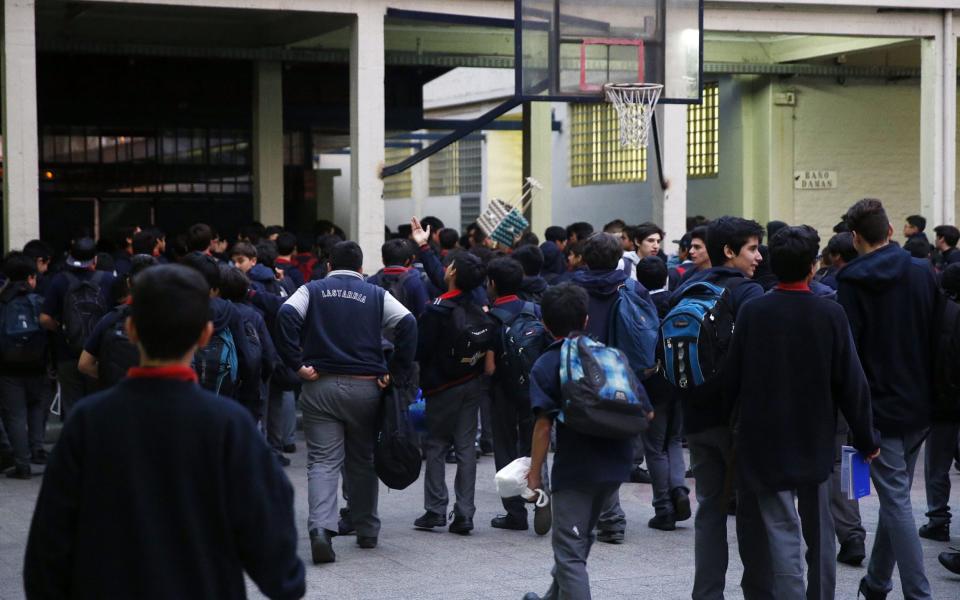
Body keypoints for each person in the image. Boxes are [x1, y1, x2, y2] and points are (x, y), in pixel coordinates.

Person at [23, 264, 305, 600]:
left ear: (130, 329)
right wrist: (286, 579)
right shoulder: (228, 424)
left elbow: (49, 544)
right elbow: (270, 541)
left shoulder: (89, 421)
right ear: (204, 334)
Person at [725, 225, 880, 600]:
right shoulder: (830, 313)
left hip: (764, 437)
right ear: (813, 267)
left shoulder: (753, 310)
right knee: (820, 528)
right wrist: (866, 437)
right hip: (817, 435)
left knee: (780, 528)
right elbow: (851, 381)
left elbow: (733, 376)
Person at [275, 241, 416, 563]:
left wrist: (296, 363)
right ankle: (366, 530)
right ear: (361, 267)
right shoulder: (376, 293)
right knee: (363, 460)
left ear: (328, 264)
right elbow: (408, 323)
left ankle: (321, 530)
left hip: (320, 385)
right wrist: (395, 372)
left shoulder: (312, 290)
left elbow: (284, 316)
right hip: (366, 388)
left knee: (323, 461)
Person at [522, 283, 652, 600]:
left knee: (570, 551)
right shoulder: (611, 355)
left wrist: (535, 475)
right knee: (578, 540)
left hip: (576, 468)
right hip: (617, 465)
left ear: (544, 324)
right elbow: (646, 414)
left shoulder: (547, 363)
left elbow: (542, 426)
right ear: (585, 321)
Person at [837, 198, 936, 600]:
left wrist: (858, 420)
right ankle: (876, 582)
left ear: (855, 237)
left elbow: (850, 356)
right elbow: (936, 332)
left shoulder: (850, 282)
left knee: (895, 503)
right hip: (921, 402)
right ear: (891, 231)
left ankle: (918, 593)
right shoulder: (920, 271)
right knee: (897, 498)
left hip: (878, 406)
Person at [671, 216, 767, 600]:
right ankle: (758, 591)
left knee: (709, 508)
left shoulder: (685, 289)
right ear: (729, 251)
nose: (759, 257)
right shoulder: (749, 294)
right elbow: (759, 361)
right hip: (737, 420)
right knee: (750, 510)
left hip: (696, 416)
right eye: (752, 248)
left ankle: (707, 593)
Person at [570, 233, 657, 543]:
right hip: (622, 373)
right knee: (610, 446)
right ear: (619, 258)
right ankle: (611, 516)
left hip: (582, 373)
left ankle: (609, 516)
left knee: (588, 447)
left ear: (584, 257)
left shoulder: (573, 290)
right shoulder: (634, 288)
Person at [414, 252, 493, 536]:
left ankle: (435, 510)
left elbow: (420, 350)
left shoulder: (437, 310)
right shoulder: (480, 308)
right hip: (471, 382)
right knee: (465, 447)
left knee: (435, 445)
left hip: (441, 386)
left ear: (452, 273)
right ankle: (465, 514)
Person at [486, 257, 547, 532]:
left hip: (503, 392)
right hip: (535, 389)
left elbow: (489, 367)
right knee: (535, 444)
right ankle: (541, 498)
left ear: (493, 284)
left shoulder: (491, 318)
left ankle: (515, 513)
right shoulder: (534, 310)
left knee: (506, 449)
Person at [635, 256, 690, 531]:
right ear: (666, 278)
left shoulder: (639, 305)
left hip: (652, 384)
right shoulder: (679, 302)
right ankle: (679, 488)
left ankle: (664, 508)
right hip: (680, 380)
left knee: (654, 447)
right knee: (675, 441)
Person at [39, 237, 115, 418]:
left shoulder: (59, 281)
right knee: (99, 408)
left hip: (68, 353)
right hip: (99, 355)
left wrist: (61, 328)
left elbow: (44, 318)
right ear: (95, 259)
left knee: (73, 408)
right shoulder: (108, 281)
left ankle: (76, 444)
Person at [0, 252, 51, 480]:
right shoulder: (39, 301)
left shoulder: (2, 301)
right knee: (36, 407)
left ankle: (22, 464)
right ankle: (38, 450)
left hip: (8, 367)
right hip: (37, 364)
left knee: (15, 415)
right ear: (31, 276)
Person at [920, 262, 960, 543]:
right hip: (950, 399)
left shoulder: (942, 312)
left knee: (937, 464)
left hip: (945, 403)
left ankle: (938, 518)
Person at [78, 255, 158, 390]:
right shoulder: (169, 320)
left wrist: (108, 375)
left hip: (116, 398)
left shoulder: (111, 318)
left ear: (128, 283)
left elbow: (84, 364)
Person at [367, 239, 430, 319]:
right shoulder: (415, 282)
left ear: (383, 259)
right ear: (407, 261)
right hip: (408, 330)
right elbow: (424, 312)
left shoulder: (371, 281)